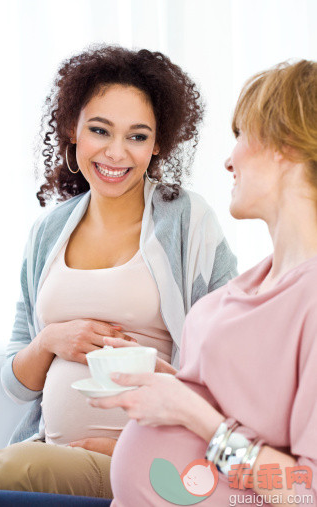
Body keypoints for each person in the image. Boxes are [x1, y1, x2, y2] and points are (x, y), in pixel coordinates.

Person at [0, 45, 237, 497]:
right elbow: (16, 385)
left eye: (137, 136)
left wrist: (129, 446)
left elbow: (231, 369)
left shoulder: (188, 221)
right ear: (72, 130)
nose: (116, 153)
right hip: (53, 451)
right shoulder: (48, 231)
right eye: (100, 130)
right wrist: (50, 340)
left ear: (158, 143)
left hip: (154, 463)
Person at [88, 60, 317, 506]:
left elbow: (306, 491)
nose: (229, 160)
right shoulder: (255, 281)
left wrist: (191, 414)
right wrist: (168, 384)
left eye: (241, 136)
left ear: (284, 144)